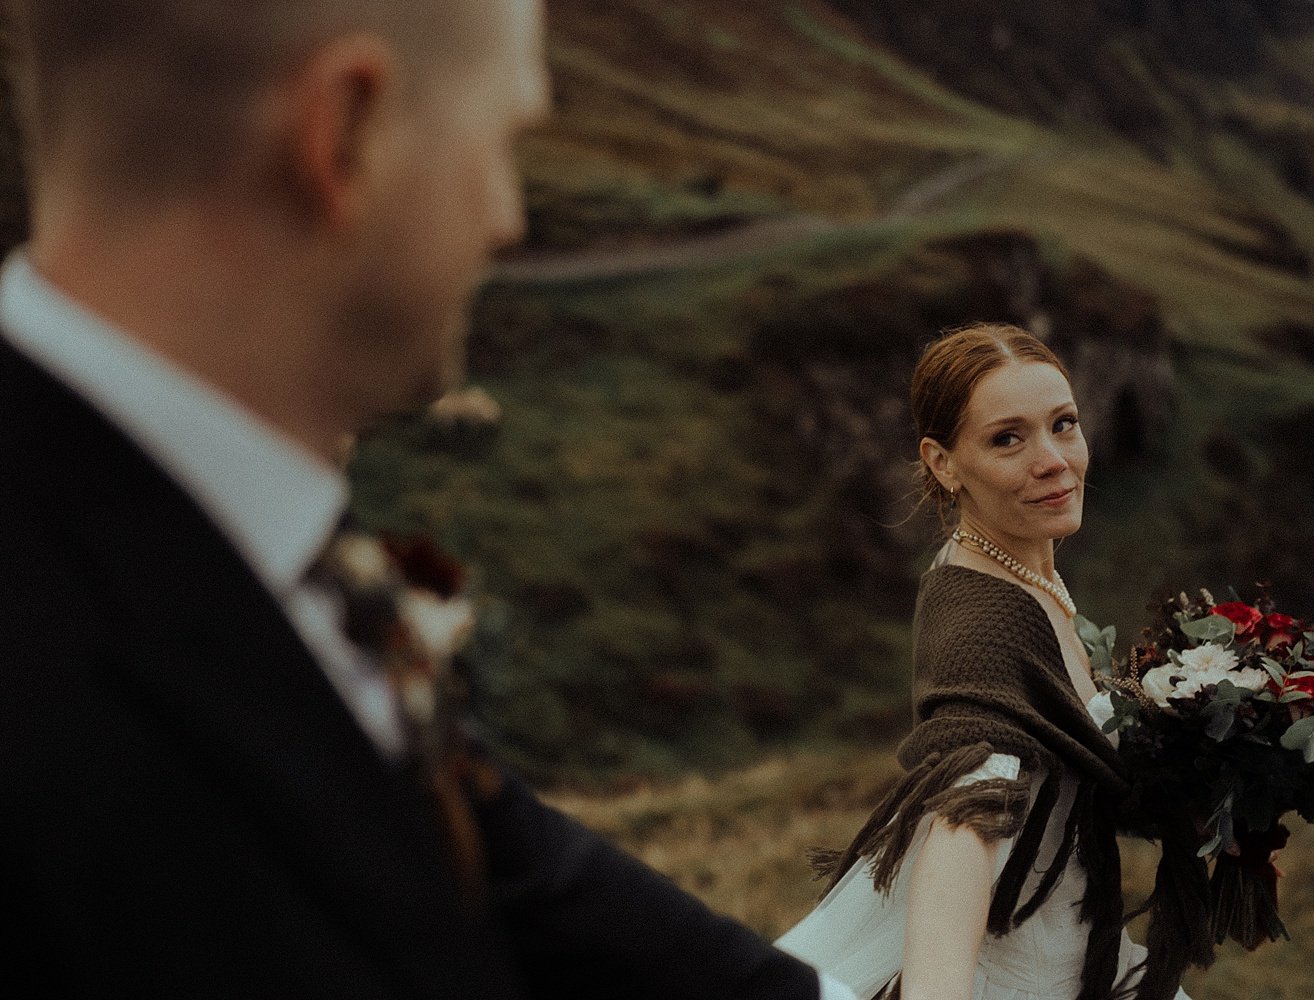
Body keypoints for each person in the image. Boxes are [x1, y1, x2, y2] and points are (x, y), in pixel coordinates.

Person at [0, 1, 854, 997]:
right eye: (501, 142)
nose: (509, 216)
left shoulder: (233, 519)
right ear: (344, 132)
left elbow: (512, 875)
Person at [776, 324, 1212, 1000]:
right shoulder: (983, 625)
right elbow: (966, 816)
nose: (1053, 460)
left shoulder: (1023, 578)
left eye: (1063, 424)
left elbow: (1062, 767)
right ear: (944, 462)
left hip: (1077, 942)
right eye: (1007, 438)